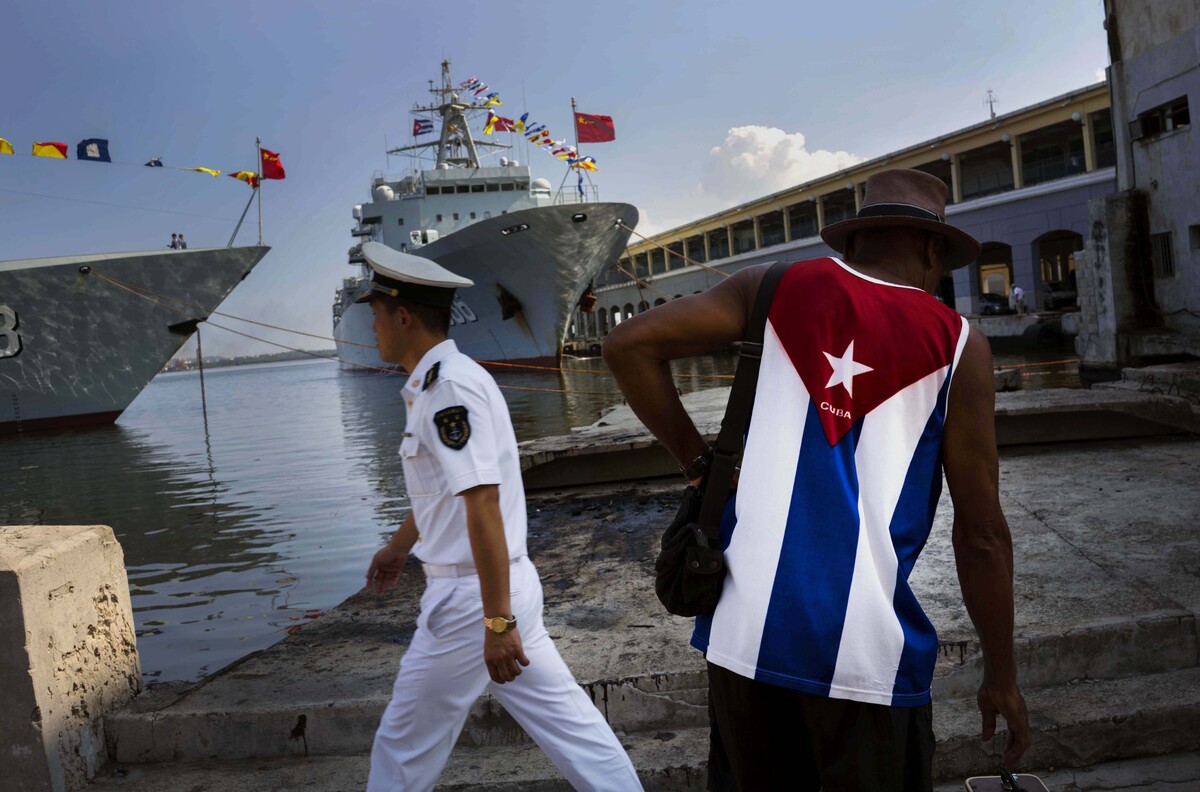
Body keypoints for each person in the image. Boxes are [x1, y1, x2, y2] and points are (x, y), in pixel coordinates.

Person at [603, 169, 1030, 791]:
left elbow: (628, 345)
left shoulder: (770, 288)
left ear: (851, 242)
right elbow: (983, 532)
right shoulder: (960, 345)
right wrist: (1002, 674)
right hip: (866, 652)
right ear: (933, 249)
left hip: (742, 636)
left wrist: (699, 465)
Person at [357, 241, 642, 792]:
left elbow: (481, 503)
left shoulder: (448, 389)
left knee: (403, 747)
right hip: (503, 585)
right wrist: (398, 547)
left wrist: (496, 622)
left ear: (403, 315)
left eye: (375, 316)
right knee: (573, 729)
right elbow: (444, 493)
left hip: (473, 600)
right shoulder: (442, 381)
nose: (372, 329)